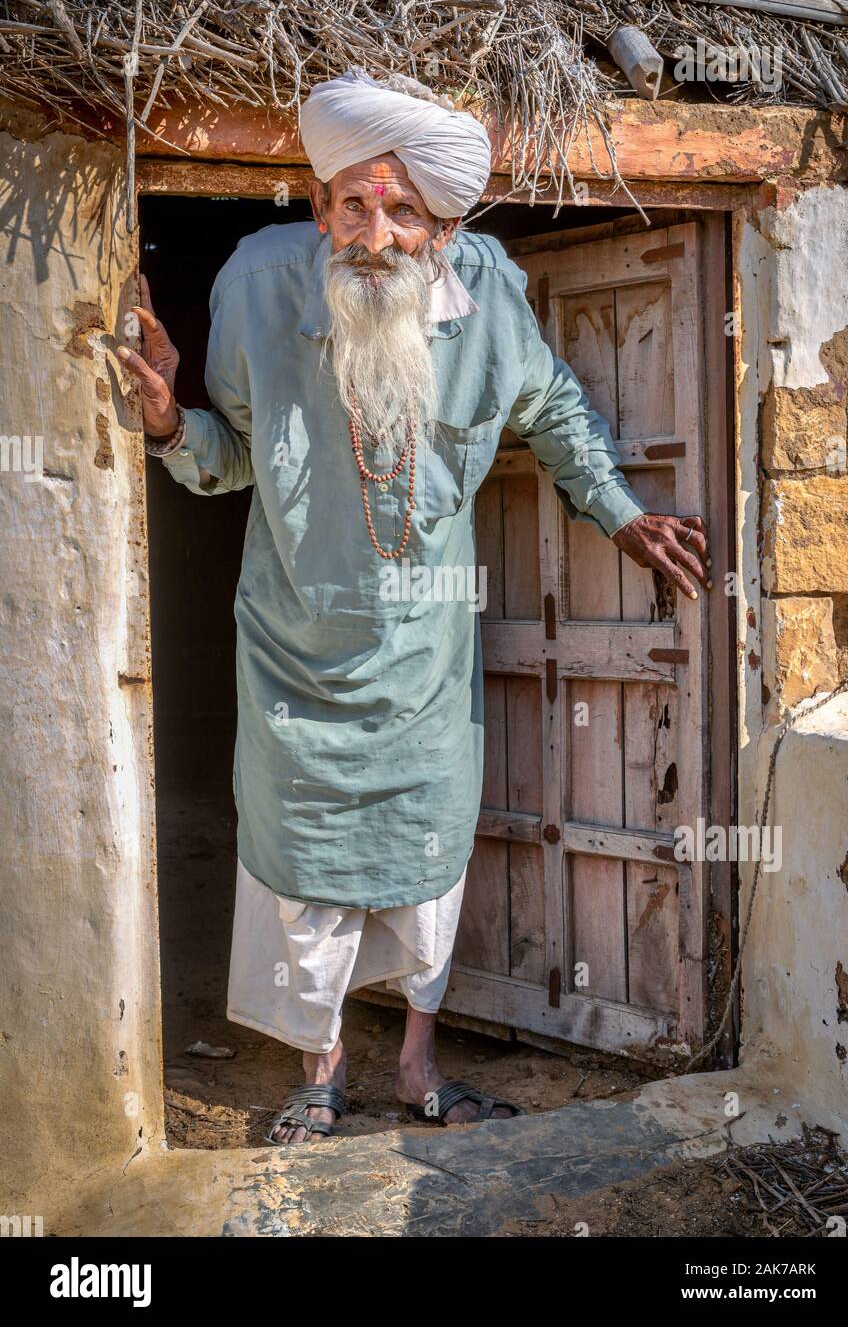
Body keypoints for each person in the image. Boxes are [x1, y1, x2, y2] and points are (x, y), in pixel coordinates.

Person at [118, 68, 710, 1144]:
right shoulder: (258, 289)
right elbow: (233, 459)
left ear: (443, 230)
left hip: (426, 659)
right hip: (292, 648)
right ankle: (318, 1070)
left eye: (402, 210)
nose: (375, 234)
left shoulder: (486, 299)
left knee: (427, 865)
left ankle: (418, 1066)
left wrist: (620, 514)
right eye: (352, 204)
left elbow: (551, 409)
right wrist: (167, 422)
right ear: (317, 210)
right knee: (303, 876)